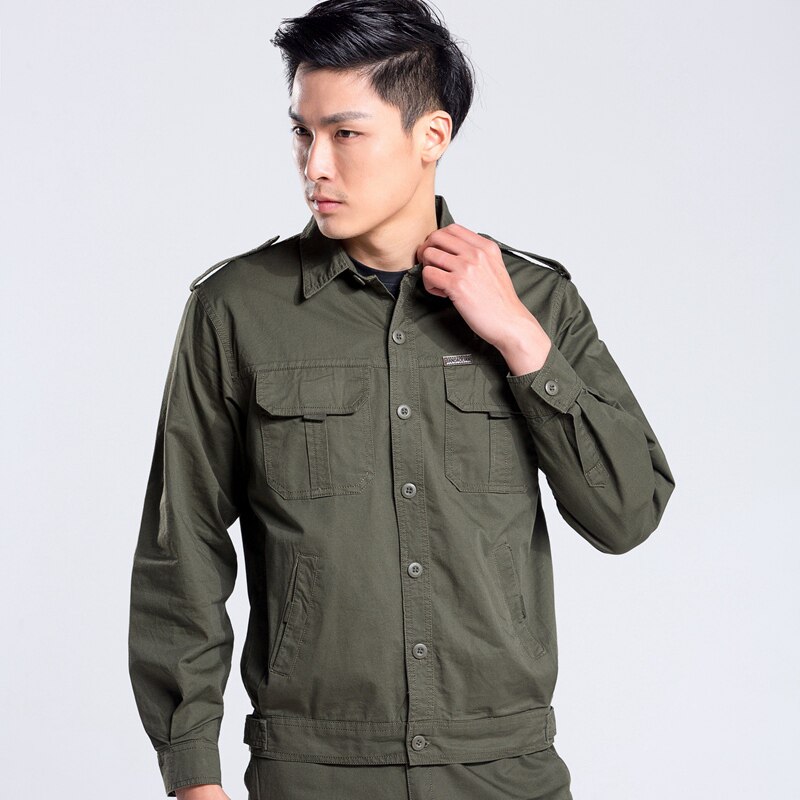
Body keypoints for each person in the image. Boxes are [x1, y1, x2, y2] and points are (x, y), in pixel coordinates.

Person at [127, 1, 676, 798]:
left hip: (503, 772)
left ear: (432, 136)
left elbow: (626, 514)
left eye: (345, 134)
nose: (315, 164)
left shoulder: (538, 300)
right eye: (302, 133)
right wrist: (192, 775)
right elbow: (181, 548)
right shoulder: (236, 309)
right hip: (314, 771)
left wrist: (522, 342)